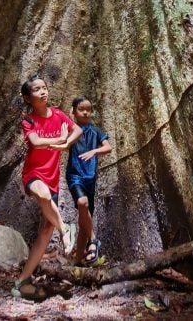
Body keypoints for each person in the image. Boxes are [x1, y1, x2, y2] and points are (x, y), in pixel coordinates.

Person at [13, 74, 82, 299]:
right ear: (27, 97)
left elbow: (78, 130)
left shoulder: (60, 115)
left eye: (44, 88)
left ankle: (22, 282)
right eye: (36, 90)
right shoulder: (28, 120)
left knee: (44, 231)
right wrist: (57, 141)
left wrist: (66, 144)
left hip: (52, 178)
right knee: (41, 194)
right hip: (33, 174)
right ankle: (65, 229)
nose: (43, 92)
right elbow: (34, 142)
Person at [67, 95, 111, 265]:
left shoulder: (96, 131)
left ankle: (78, 262)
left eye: (88, 110)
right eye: (81, 109)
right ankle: (94, 240)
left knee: (84, 220)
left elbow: (108, 147)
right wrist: (70, 120)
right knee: (82, 203)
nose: (85, 113)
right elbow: (65, 140)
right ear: (74, 112)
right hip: (74, 175)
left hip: (90, 178)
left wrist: (94, 152)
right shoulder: (72, 129)